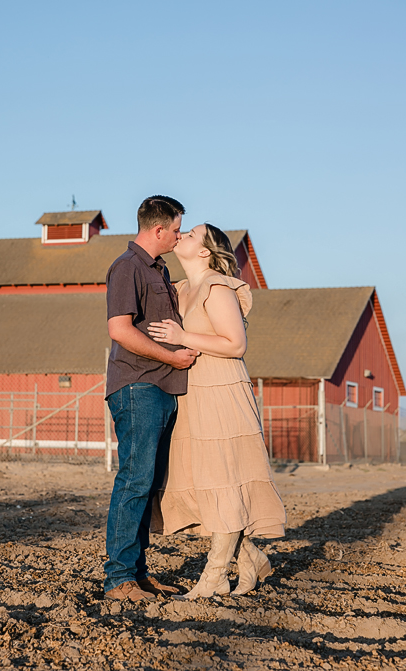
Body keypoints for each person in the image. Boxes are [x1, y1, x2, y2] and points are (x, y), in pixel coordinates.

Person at [147, 223, 286, 599]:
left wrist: (182, 337)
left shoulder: (217, 286)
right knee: (207, 481)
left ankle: (213, 577)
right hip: (193, 395)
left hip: (223, 392)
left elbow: (235, 344)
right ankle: (249, 558)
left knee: (224, 480)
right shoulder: (180, 289)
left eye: (191, 234)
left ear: (206, 251)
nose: (182, 237)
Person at [103, 195, 200, 602]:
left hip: (161, 387)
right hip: (138, 386)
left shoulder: (159, 271)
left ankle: (139, 574)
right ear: (157, 229)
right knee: (135, 479)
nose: (179, 236)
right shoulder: (128, 268)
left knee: (148, 483)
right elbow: (120, 330)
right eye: (176, 229)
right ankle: (119, 578)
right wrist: (173, 357)